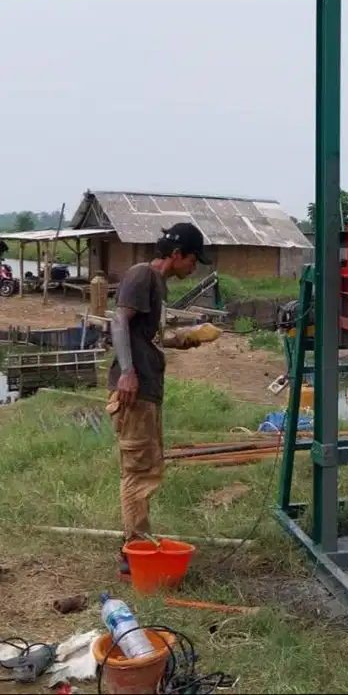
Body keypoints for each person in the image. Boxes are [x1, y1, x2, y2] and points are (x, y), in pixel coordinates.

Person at [107, 222, 209, 580]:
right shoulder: (141, 275)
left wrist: (188, 339)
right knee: (138, 471)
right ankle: (134, 551)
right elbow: (119, 321)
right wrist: (127, 371)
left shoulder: (158, 286)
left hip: (147, 391)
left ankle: (134, 545)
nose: (195, 267)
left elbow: (147, 335)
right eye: (194, 259)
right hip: (134, 389)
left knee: (148, 468)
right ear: (177, 254)